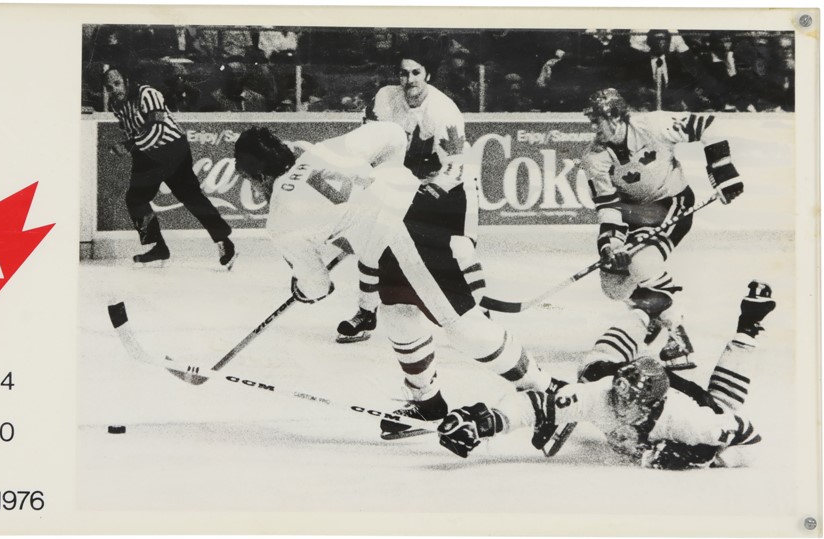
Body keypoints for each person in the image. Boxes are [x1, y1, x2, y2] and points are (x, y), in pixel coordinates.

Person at [233, 123, 564, 445]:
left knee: (463, 326)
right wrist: (380, 188)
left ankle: (550, 393)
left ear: (258, 176)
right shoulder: (322, 151)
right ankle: (427, 402)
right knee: (398, 313)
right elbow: (392, 134)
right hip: (422, 206)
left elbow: (317, 286)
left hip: (406, 233)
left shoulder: (280, 217)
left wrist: (301, 290)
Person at [438, 280, 775, 469]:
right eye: (618, 392)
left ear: (650, 407)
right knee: (593, 369)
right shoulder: (604, 394)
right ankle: (650, 317)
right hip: (626, 375)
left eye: (626, 399)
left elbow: (752, 440)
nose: (617, 402)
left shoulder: (688, 420)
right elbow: (535, 405)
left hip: (682, 396)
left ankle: (749, 326)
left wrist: (708, 458)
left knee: (725, 407)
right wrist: (485, 423)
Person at [580, 88, 743, 370]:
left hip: (671, 202)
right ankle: (654, 311)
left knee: (642, 262)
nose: (593, 127)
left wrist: (723, 172)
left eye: (598, 120)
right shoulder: (594, 158)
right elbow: (608, 206)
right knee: (614, 286)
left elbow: (708, 125)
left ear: (616, 117)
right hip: (634, 214)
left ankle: (677, 335)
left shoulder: (653, 126)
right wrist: (611, 245)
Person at [336, 41, 485, 345]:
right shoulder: (385, 99)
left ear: (428, 74)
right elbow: (367, 146)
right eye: (404, 73)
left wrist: (420, 197)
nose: (410, 80)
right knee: (373, 242)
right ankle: (366, 312)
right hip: (403, 181)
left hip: (452, 185)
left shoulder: (444, 111)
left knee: (458, 250)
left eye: (416, 72)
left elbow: (454, 169)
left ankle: (477, 317)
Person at [103, 67, 236, 269]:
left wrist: (129, 145)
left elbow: (158, 127)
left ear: (127, 81)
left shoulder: (148, 94)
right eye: (109, 86)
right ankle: (158, 247)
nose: (114, 89)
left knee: (191, 197)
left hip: (172, 150)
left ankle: (225, 242)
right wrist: (128, 144)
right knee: (136, 199)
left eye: (117, 83)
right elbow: (132, 130)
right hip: (146, 153)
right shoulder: (116, 104)